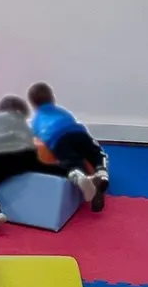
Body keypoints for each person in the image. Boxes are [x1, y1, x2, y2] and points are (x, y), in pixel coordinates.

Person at [0, 95, 99, 228]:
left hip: (2, 156)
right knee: (46, 167)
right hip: (27, 154)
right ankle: (73, 174)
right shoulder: (22, 122)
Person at [27, 82, 110, 212]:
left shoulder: (36, 120)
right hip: (79, 133)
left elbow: (37, 140)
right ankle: (101, 171)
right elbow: (71, 121)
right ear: (52, 98)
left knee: (71, 160)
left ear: (33, 104)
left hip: (58, 139)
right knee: (96, 152)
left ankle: (79, 175)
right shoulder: (62, 112)